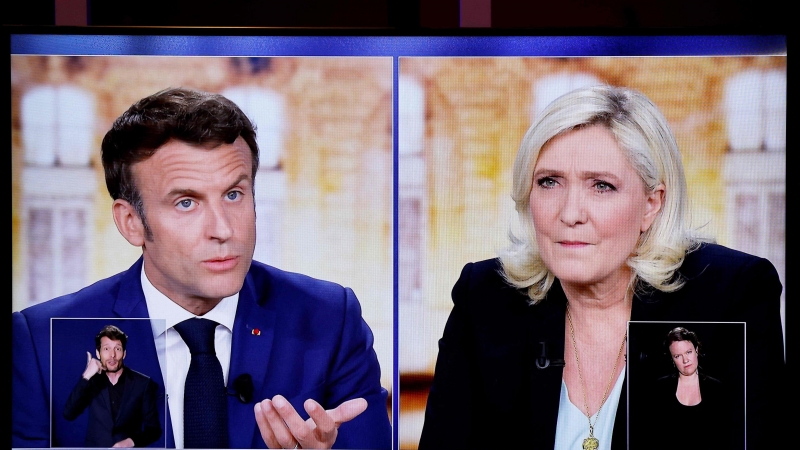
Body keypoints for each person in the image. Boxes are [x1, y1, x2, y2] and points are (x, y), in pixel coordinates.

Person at [12, 87, 391, 449]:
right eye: (186, 203)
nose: (224, 230)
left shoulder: (330, 320)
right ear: (131, 222)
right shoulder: (41, 343)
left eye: (234, 194)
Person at [418, 85, 785, 449]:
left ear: (651, 204)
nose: (570, 214)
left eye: (601, 186)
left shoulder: (732, 294)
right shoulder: (484, 295)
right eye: (549, 182)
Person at [63, 325, 162, 448]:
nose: (112, 355)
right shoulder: (91, 382)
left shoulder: (143, 383)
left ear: (124, 354)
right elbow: (69, 413)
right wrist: (86, 375)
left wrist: (130, 442)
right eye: (106, 349)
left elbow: (153, 430)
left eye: (118, 349)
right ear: (98, 353)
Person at [644, 326, 741, 450]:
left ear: (696, 350)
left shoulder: (717, 389)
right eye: (677, 356)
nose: (685, 360)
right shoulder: (660, 389)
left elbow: (726, 436)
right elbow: (651, 436)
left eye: (688, 352)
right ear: (672, 360)